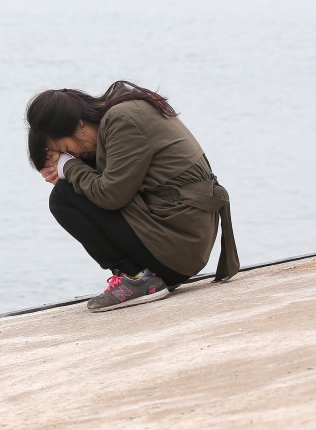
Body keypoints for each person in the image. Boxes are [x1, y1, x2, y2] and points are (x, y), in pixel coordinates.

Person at [26, 80, 239, 312]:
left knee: (64, 198)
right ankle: (144, 278)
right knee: (75, 189)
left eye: (67, 148)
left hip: (180, 247)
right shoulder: (122, 111)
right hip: (184, 241)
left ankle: (137, 278)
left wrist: (68, 167)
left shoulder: (122, 120)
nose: (73, 154)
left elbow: (111, 196)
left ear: (79, 125)